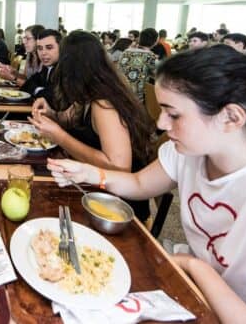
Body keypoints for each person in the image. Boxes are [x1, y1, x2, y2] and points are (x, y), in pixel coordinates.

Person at [48, 45, 246, 322]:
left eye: (173, 114)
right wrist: (90, 174)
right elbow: (140, 184)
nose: (160, 123)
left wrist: (196, 267)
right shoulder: (190, 154)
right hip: (199, 302)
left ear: (232, 117)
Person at [28, 32, 153, 220]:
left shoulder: (104, 104)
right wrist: (50, 113)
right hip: (91, 186)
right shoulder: (87, 92)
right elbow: (67, 118)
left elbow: (120, 168)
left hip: (117, 206)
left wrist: (60, 137)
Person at [117, 27, 158, 103]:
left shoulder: (126, 52)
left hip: (119, 92)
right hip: (135, 99)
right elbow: (158, 75)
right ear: (155, 42)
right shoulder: (150, 56)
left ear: (139, 39)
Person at [20, 28, 61, 101]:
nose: (43, 53)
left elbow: (52, 98)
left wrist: (35, 90)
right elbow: (26, 86)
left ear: (61, 47)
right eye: (40, 48)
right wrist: (40, 90)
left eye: (49, 48)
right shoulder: (46, 68)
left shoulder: (65, 69)